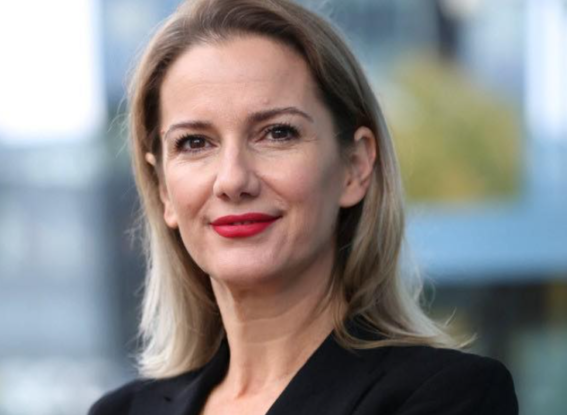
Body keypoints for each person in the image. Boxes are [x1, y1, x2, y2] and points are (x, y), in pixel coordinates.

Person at [90, 0, 518, 413]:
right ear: (163, 189)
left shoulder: (451, 396)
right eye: (195, 143)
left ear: (354, 166)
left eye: (277, 133)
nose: (233, 180)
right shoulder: (121, 411)